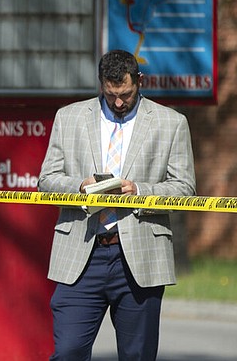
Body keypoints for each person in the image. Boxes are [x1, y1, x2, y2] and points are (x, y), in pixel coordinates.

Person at [38, 49, 196, 361]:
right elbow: (47, 179)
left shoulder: (171, 123)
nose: (119, 102)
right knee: (68, 351)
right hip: (82, 254)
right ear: (101, 85)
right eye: (111, 95)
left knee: (137, 355)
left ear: (140, 81)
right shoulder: (68, 118)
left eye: (125, 94)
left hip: (139, 257)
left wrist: (139, 191)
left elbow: (184, 190)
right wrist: (79, 186)